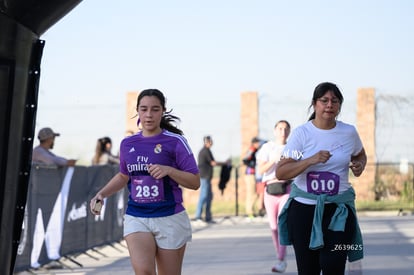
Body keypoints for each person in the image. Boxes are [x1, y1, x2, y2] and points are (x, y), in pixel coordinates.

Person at [89, 89, 200, 275]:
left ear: (163, 111)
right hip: (137, 216)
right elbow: (124, 176)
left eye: (155, 109)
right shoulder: (127, 144)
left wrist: (169, 170)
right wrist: (102, 194)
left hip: (169, 217)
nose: (149, 114)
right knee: (144, 272)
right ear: (138, 111)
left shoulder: (175, 141)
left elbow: (195, 182)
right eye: (144, 109)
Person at [276, 82, 367, 275]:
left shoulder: (349, 132)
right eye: (324, 100)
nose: (329, 105)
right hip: (304, 211)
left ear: (340, 106)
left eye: (334, 101)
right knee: (308, 269)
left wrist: (359, 165)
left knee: (334, 266)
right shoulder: (301, 134)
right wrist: (310, 160)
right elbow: (281, 172)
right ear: (314, 104)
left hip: (339, 212)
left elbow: (360, 154)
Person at [256, 120, 291, 273]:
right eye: (280, 128)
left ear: (289, 131)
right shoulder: (267, 147)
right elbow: (261, 169)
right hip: (270, 189)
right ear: (275, 130)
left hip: (287, 187)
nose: (283, 131)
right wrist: (273, 160)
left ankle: (281, 259)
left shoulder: (293, 147)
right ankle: (280, 256)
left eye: (286, 129)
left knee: (282, 223)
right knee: (274, 226)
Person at [194, 135, 229, 223]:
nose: (211, 143)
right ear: (207, 142)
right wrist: (224, 163)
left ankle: (208, 217)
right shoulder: (204, 151)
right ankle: (198, 216)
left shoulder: (208, 151)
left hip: (207, 177)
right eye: (210, 141)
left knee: (209, 196)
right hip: (204, 177)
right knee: (204, 196)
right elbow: (213, 163)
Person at [242, 137, 261, 218]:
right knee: (252, 193)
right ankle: (249, 212)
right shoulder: (252, 149)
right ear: (254, 143)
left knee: (254, 193)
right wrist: (253, 165)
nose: (259, 144)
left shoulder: (255, 150)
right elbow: (245, 160)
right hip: (250, 174)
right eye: (258, 143)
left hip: (253, 174)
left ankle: (251, 211)